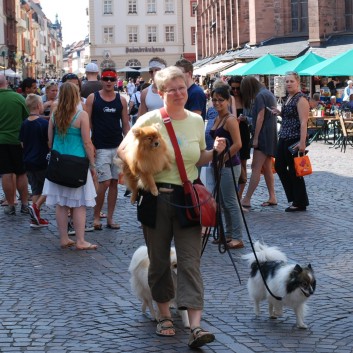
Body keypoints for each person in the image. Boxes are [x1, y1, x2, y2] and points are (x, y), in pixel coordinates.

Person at [117, 66, 226, 348]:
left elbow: (198, 157)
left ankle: (195, 325)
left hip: (187, 199)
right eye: (171, 89)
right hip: (155, 198)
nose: (178, 93)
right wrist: (142, 168)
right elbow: (123, 151)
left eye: (182, 87)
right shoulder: (149, 120)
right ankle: (164, 315)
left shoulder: (195, 120)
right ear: (160, 92)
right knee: (160, 260)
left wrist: (216, 151)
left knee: (190, 261)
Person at [42, 82, 98, 249]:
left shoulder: (55, 113)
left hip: (58, 161)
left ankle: (64, 238)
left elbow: (50, 140)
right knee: (79, 204)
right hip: (77, 162)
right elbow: (87, 142)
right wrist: (93, 165)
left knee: (61, 204)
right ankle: (80, 240)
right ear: (76, 95)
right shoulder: (82, 115)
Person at [85, 68, 130, 230]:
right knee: (103, 183)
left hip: (117, 146)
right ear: (101, 80)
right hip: (101, 147)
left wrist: (130, 142)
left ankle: (110, 218)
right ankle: (96, 217)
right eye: (106, 79)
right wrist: (89, 143)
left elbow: (125, 124)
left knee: (114, 183)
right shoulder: (93, 98)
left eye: (112, 79)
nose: (109, 82)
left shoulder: (121, 100)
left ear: (115, 80)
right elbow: (86, 122)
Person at [209, 86, 243, 249]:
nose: (217, 103)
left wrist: (224, 159)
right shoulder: (217, 118)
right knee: (222, 202)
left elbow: (238, 144)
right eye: (214, 99)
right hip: (218, 165)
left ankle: (237, 237)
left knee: (230, 202)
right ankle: (228, 234)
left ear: (228, 101)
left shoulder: (230, 119)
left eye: (220, 100)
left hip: (229, 165)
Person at [273, 71, 310, 212]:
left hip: (294, 138)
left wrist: (302, 142)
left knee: (295, 170)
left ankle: (299, 202)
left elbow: (303, 121)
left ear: (298, 82)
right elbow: (290, 116)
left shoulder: (301, 99)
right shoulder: (289, 97)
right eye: (287, 81)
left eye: (291, 81)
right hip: (284, 136)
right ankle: (295, 198)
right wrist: (280, 113)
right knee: (280, 167)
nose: (288, 84)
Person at [240, 76, 278, 208]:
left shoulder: (260, 96)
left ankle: (247, 199)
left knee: (256, 167)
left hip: (263, 135)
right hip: (270, 134)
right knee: (267, 167)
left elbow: (260, 117)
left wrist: (255, 138)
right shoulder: (267, 93)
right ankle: (272, 196)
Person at [0, 74, 30, 216]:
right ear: (7, 82)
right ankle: (24, 204)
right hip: (18, 141)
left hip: (1, 141)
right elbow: (27, 118)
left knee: (6, 173)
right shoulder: (18, 98)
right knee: (21, 173)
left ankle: (11, 205)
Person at [19, 94, 49, 227]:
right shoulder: (43, 123)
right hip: (42, 161)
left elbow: (22, 144)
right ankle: (35, 207)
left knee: (36, 189)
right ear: (38, 106)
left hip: (28, 161)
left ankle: (35, 218)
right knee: (50, 188)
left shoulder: (24, 123)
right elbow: (49, 142)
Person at [229, 76, 251, 199]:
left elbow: (253, 118)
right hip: (231, 133)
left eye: (238, 88)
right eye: (233, 88)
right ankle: (232, 194)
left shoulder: (246, 100)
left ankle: (239, 195)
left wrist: (245, 119)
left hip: (243, 132)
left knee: (242, 164)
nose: (236, 91)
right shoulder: (228, 98)